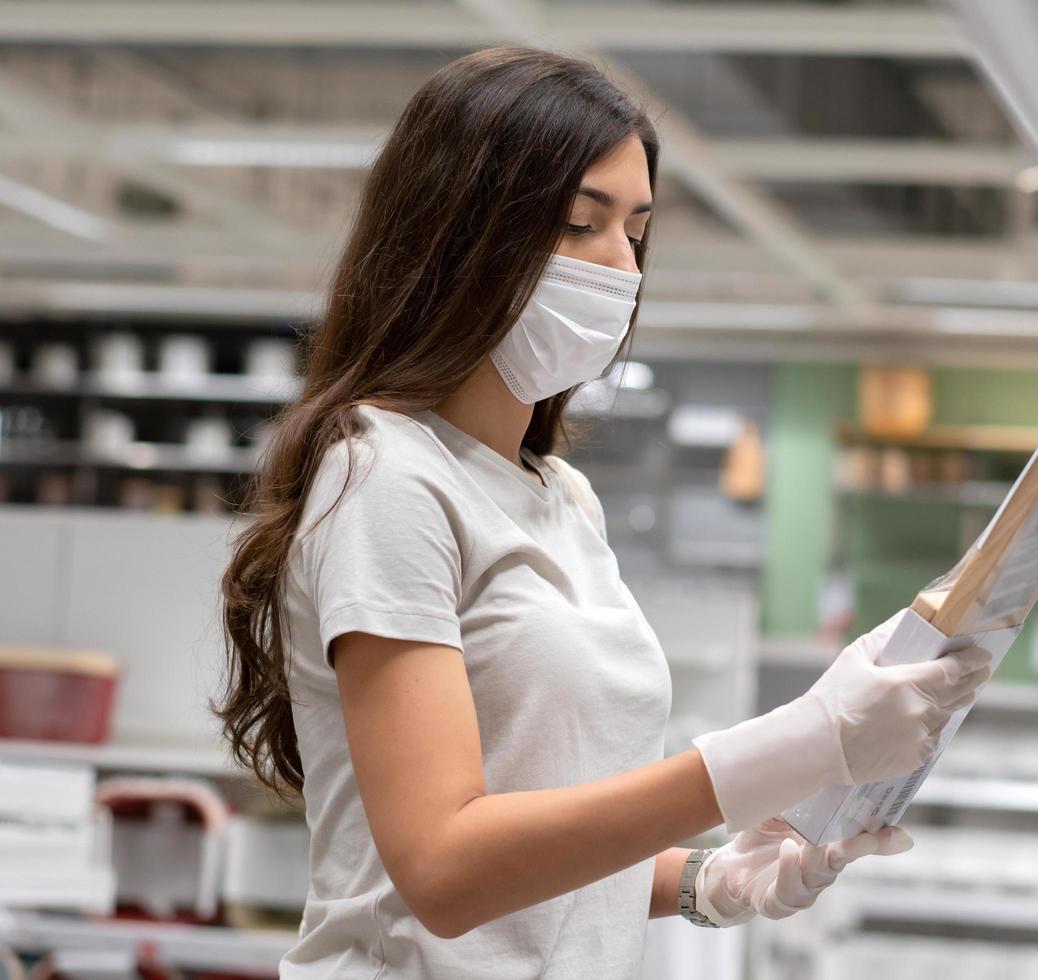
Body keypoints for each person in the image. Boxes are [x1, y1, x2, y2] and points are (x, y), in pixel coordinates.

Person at [215, 46, 992, 979]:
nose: (619, 265)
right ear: (457, 235)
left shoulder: (561, 498)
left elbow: (548, 823)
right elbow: (445, 867)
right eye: (581, 223)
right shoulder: (386, 476)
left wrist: (710, 881)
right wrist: (795, 744)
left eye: (636, 230)